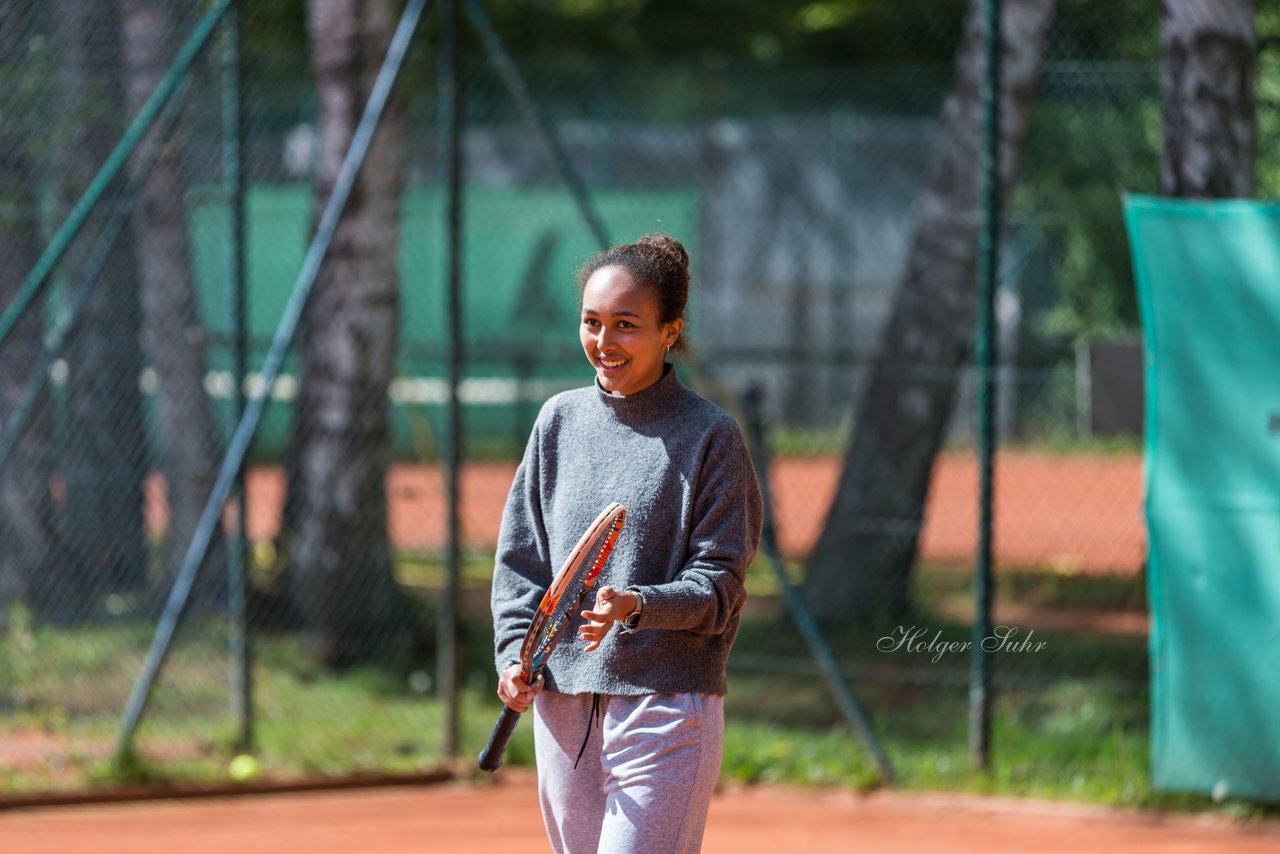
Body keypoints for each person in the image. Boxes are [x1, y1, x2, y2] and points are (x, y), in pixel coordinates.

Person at [490, 234, 763, 853]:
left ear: (671, 331)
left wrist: (636, 603)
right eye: (592, 322)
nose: (604, 342)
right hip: (562, 707)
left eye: (626, 325)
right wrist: (513, 655)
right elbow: (521, 564)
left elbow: (721, 584)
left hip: (666, 703)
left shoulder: (711, 436)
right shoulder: (558, 421)